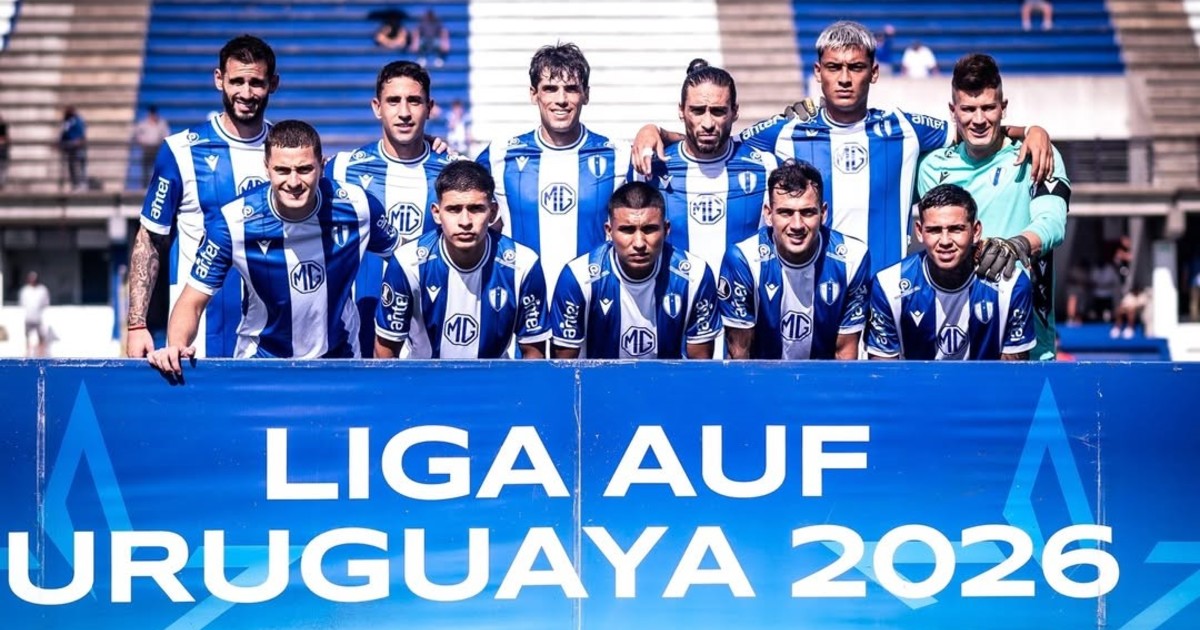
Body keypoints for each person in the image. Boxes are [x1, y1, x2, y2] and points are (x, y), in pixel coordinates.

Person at [633, 21, 1054, 277]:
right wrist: (660, 133)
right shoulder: (786, 131)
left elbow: (974, 126)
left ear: (874, 72)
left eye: (856, 67)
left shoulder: (906, 128)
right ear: (818, 72)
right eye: (834, 68)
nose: (845, 78)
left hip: (888, 297)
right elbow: (715, 139)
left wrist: (1031, 131)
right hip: (814, 296)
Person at [147, 121, 398, 376]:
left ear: (322, 167)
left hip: (340, 360)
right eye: (282, 170)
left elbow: (405, 263)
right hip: (261, 364)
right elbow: (192, 301)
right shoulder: (233, 222)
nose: (293, 181)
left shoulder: (358, 207)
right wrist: (176, 345)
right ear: (266, 168)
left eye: (304, 169)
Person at [127, 35, 279, 360]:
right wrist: (137, 324)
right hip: (198, 341)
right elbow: (151, 238)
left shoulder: (287, 154)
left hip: (272, 341)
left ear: (273, 84)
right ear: (219, 79)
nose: (246, 93)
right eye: (237, 81)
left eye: (256, 83)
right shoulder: (180, 151)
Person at [916, 53, 1068, 361]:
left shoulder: (1036, 155)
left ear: (1003, 107)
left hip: (1027, 347)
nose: (979, 119)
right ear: (953, 111)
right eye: (968, 109)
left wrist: (1015, 246)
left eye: (988, 108)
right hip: (952, 346)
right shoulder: (931, 167)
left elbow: (1052, 222)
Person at [477, 43, 629, 297]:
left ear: (586, 94)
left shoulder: (619, 155)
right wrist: (427, 140)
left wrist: (659, 133)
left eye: (571, 89)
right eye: (550, 89)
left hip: (594, 306)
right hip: (522, 306)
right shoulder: (498, 155)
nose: (561, 100)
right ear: (533, 94)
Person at [326, 60, 455, 356]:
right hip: (360, 328)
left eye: (414, 101)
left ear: (429, 107)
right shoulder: (342, 169)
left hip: (432, 330)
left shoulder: (455, 170)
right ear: (377, 107)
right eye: (393, 101)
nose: (404, 112)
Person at [375, 161, 549, 358]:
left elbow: (534, 353)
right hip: (424, 377)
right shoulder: (407, 264)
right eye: (454, 209)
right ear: (437, 213)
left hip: (495, 378)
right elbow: (385, 351)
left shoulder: (523, 265)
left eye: (476, 209)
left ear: (493, 212)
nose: (465, 221)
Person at [635, 59, 777, 282]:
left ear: (735, 112)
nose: (708, 123)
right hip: (675, 302)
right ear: (681, 111)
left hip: (743, 302)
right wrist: (652, 129)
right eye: (698, 111)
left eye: (718, 111)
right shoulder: (650, 168)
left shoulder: (764, 167)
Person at [549, 182, 721, 359]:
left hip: (670, 378)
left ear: (666, 229)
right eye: (627, 230)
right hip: (596, 378)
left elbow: (700, 366)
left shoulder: (696, 276)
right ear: (609, 231)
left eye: (649, 229)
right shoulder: (578, 278)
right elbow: (563, 368)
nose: (639, 243)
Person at [719, 159, 870, 360]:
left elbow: (844, 354)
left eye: (807, 212)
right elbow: (739, 354)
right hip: (762, 376)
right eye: (786, 212)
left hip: (823, 377)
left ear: (823, 214)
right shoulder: (742, 260)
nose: (797, 225)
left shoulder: (853, 258)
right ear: (768, 214)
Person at [867, 184, 1035, 360]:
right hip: (915, 380)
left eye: (956, 229)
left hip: (988, 380)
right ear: (919, 231)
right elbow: (883, 371)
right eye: (934, 230)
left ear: (976, 231)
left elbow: (1012, 372)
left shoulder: (1011, 285)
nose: (945, 241)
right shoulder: (889, 286)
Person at [132, 105, 171, 189]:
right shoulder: (143, 124)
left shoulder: (161, 123)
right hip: (146, 149)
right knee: (145, 169)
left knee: (158, 168)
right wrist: (141, 142)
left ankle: (158, 186)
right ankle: (144, 186)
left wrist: (161, 142)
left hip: (157, 149)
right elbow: (136, 134)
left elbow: (167, 135)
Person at [18, 271, 51, 358]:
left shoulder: (42, 290)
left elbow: (45, 303)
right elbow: (22, 303)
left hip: (38, 318)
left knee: (41, 337)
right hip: (28, 317)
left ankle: (41, 354)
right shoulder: (25, 290)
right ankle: (28, 354)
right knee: (27, 337)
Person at [60, 106, 87, 191]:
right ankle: (75, 184)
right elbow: (64, 133)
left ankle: (82, 184)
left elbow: (81, 133)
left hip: (78, 146)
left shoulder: (78, 120)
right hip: (70, 146)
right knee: (72, 166)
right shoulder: (67, 121)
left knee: (79, 165)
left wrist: (79, 141)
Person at [0, 112, 9, 190]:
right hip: (3, 154)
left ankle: (1, 184)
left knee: (3, 169)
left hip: (3, 154)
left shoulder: (3, 127)